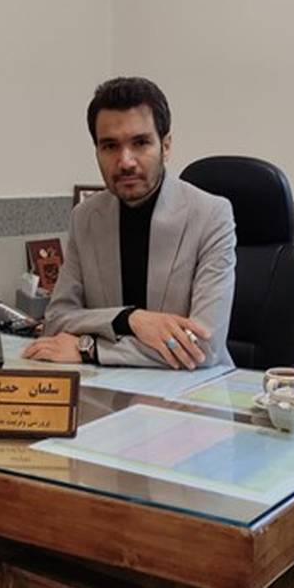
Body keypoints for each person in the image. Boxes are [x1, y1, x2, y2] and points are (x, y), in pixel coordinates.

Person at [21, 77, 236, 370]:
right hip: (108, 386)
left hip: (192, 387)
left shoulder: (212, 215)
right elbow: (57, 320)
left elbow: (202, 347)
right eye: (110, 146)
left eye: (140, 143)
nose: (125, 161)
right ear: (97, 151)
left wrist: (90, 348)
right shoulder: (85, 217)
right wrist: (129, 319)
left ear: (166, 146)